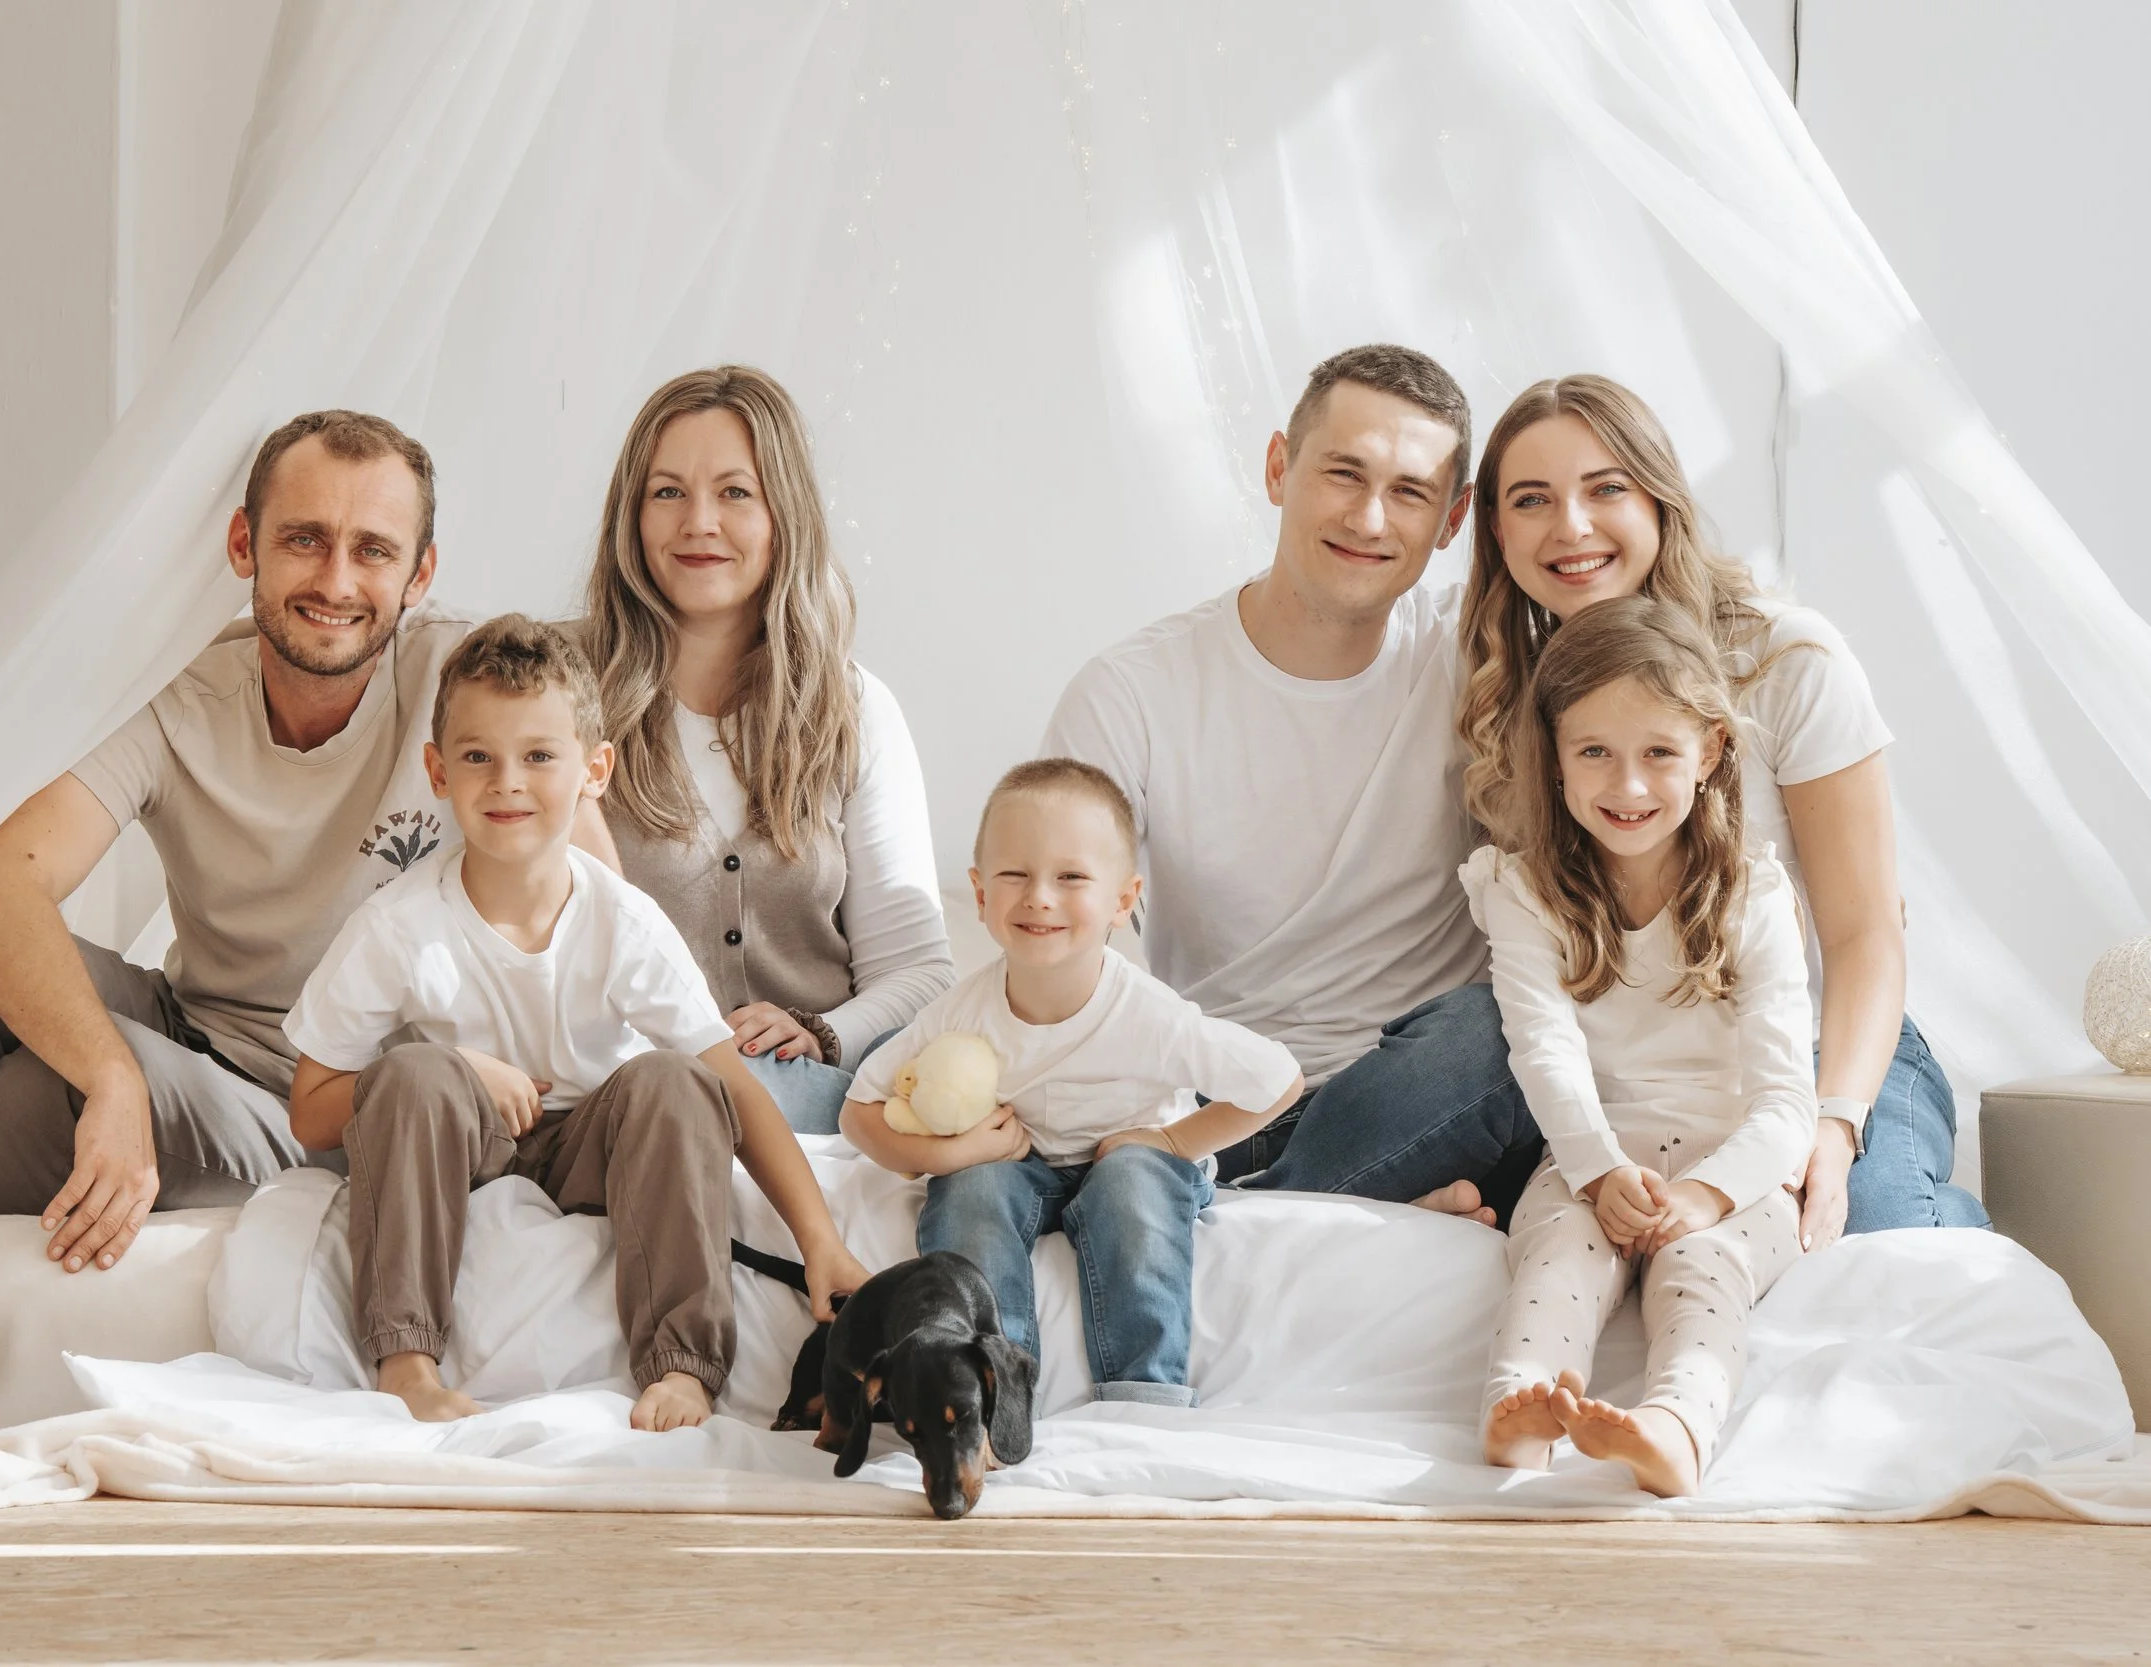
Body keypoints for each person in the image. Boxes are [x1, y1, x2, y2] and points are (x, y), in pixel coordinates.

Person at [0, 411, 582, 1314]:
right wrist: (113, 1073)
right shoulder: (183, 693)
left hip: (339, 1105)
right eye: (304, 539)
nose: (336, 580)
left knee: (39, 1087)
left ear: (420, 573)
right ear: (244, 543)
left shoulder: (473, 685)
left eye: (373, 550)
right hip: (197, 1025)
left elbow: (593, 897)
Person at [283, 616, 870, 1430]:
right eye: (478, 756)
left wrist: (822, 1243)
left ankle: (682, 1365)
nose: (507, 783)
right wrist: (463, 1069)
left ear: (595, 770)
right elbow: (309, 1109)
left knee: (677, 1079)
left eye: (539, 756)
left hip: (596, 1145)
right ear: (437, 770)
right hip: (469, 1147)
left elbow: (736, 1090)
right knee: (414, 1070)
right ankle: (407, 1363)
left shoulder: (622, 920)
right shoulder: (398, 924)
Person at [1457, 374, 1985, 1239]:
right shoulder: (1507, 694)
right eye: (1532, 499)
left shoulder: (1786, 661)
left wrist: (1832, 1123)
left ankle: (1940, 1220)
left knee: (1867, 1226)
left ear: (1659, 499)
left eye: (1606, 488)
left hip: (1814, 1046)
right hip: (1631, 1078)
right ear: (1496, 530)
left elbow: (1865, 932)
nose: (1572, 527)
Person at [1043, 343, 1543, 1223]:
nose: (1369, 517)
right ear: (1279, 467)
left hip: (1419, 1098)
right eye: (1343, 473)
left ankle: (1241, 1218)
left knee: (1497, 1030)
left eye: (1411, 492)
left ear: (1454, 518)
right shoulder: (1131, 692)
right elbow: (1063, 945)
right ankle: (1328, 1206)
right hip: (1214, 1108)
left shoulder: (1487, 664)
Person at [1471, 598, 1814, 1498]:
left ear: (1710, 749)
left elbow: (1787, 1103)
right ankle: (1520, 1407)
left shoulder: (1752, 894)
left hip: (1735, 1168)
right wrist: (1596, 1169)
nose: (1627, 786)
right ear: (1552, 756)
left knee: (1704, 1265)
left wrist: (1706, 1194)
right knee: (1559, 1251)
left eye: (1659, 751)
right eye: (1594, 752)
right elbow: (1543, 1048)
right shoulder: (1522, 890)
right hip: (1597, 1154)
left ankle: (1677, 1426)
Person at [839, 760, 1303, 1405]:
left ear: (1123, 900)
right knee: (971, 1188)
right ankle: (991, 1397)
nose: (1039, 896)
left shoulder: (1150, 1015)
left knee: (1131, 1183)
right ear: (980, 894)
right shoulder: (960, 1010)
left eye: (1071, 877)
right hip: (1017, 1165)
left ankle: (1143, 1394)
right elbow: (858, 1111)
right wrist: (952, 1154)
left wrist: (1172, 1142)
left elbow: (1279, 1081)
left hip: (1130, 1160)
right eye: (1014, 875)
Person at [578, 366, 953, 1134]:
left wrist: (823, 1033)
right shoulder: (562, 694)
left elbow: (919, 972)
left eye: (735, 492)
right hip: (625, 1108)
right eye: (667, 491)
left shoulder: (854, 711)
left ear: (785, 513)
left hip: (804, 1105)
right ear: (631, 515)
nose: (699, 522)